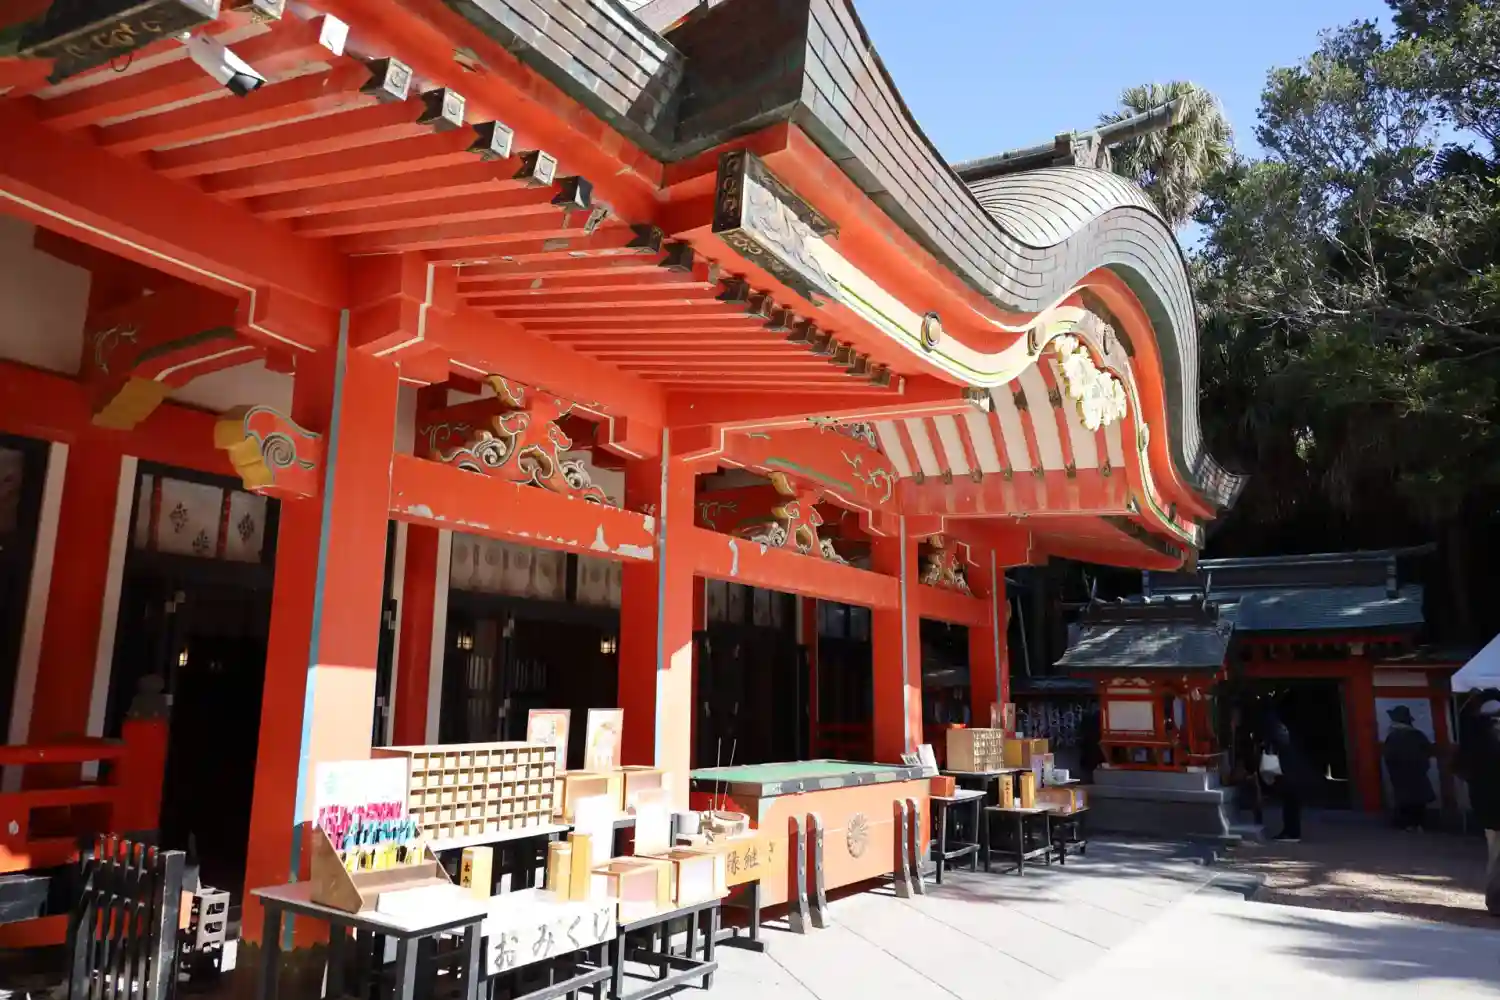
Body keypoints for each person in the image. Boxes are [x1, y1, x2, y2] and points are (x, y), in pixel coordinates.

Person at [1456, 692, 1500, 917]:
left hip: (1486, 807)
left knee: (1495, 856)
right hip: (1493, 805)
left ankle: (1495, 901)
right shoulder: (1490, 741)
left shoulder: (1472, 740)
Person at [1382, 705, 1435, 830]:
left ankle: (1407, 824)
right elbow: (1428, 751)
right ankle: (1419, 824)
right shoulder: (1417, 735)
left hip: (1400, 774)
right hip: (1418, 773)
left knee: (1404, 800)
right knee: (1419, 800)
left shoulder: (1393, 737)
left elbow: (1389, 756)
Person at [1261, 706, 1309, 842]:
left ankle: (1291, 833)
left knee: (1290, 802)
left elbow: (1278, 746)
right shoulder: (1285, 729)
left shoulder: (1276, 731)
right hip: (1293, 770)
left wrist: (1268, 745)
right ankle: (1292, 831)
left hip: (1287, 770)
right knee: (1292, 803)